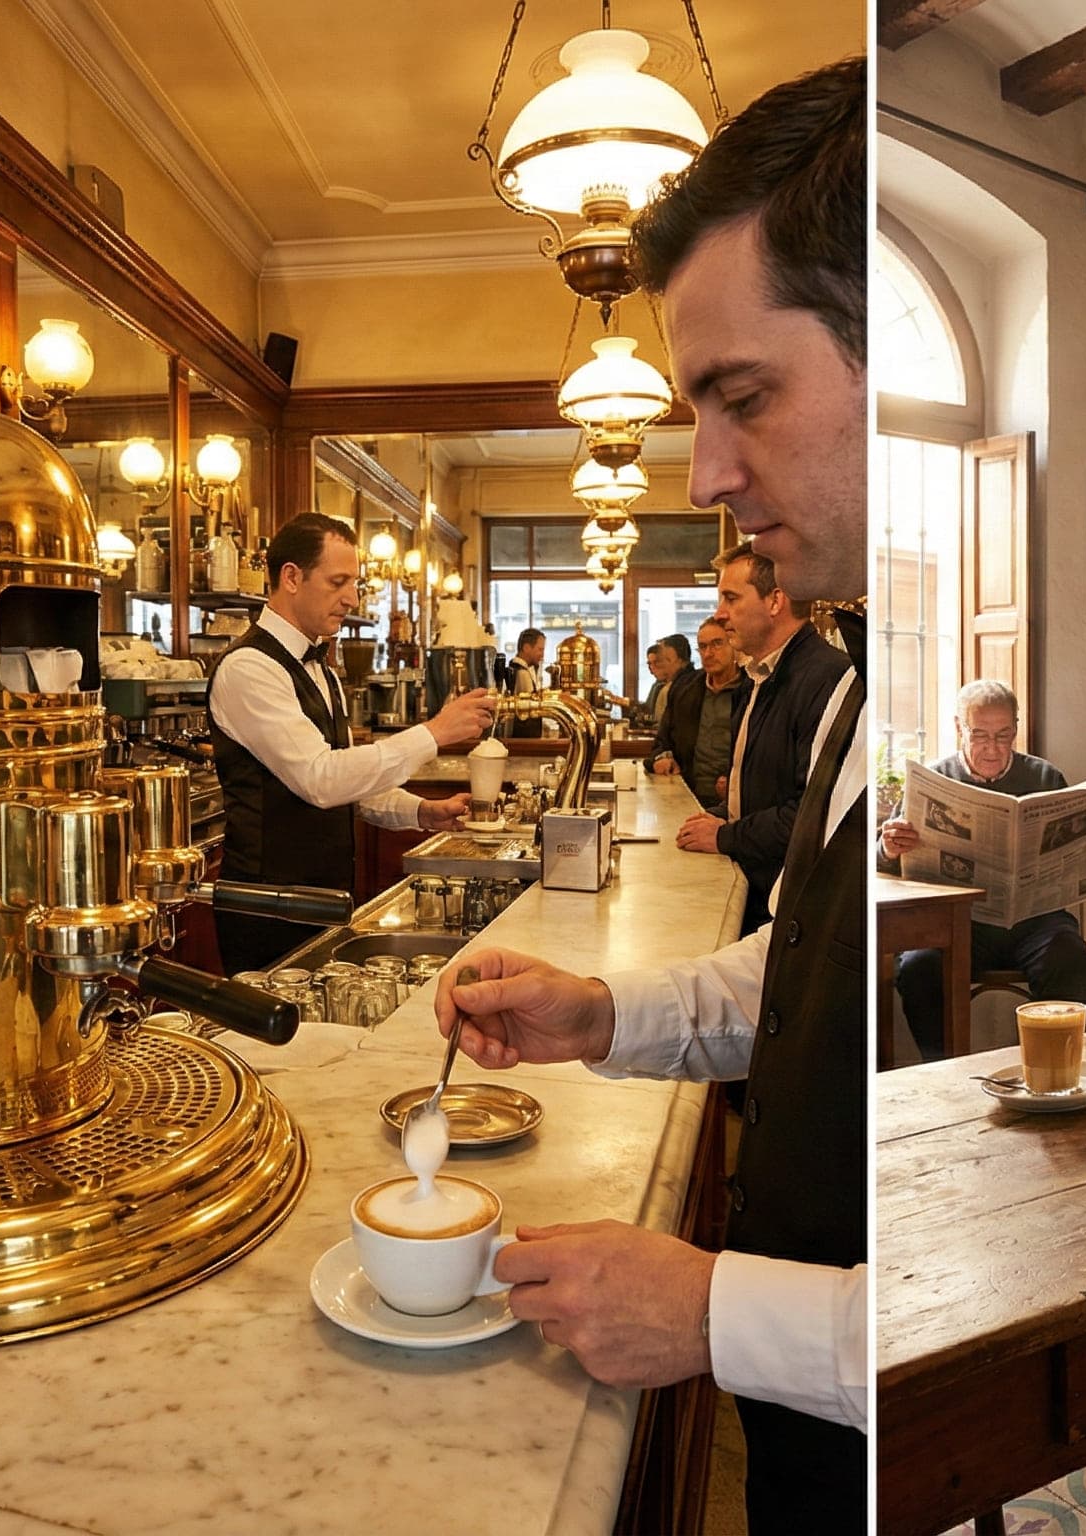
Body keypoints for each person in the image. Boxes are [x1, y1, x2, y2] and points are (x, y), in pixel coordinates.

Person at [432, 56, 869, 1530]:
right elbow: (804, 972)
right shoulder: (862, 682)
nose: (706, 476)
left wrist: (720, 1313)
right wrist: (605, 1016)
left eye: (745, 397)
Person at [208, 513, 493, 971]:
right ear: (291, 577)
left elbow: (346, 782)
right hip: (266, 910)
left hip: (324, 903)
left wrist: (420, 811)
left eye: (355, 583)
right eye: (338, 582)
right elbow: (320, 780)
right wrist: (434, 732)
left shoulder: (321, 668)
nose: (352, 598)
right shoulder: (249, 668)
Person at [878, 679, 1086, 1060]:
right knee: (918, 968)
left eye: (1003, 735)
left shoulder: (1045, 778)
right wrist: (888, 848)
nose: (992, 748)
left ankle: (1051, 1067)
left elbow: (1080, 856)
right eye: (980, 735)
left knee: (1072, 963)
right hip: (960, 922)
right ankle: (944, 1071)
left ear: (1016, 729)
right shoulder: (930, 780)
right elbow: (884, 863)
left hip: (1036, 922)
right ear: (959, 727)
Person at [679, 543, 849, 934]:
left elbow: (811, 813)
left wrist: (725, 835)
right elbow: (763, 786)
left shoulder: (825, 676)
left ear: (775, 600)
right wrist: (722, 813)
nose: (720, 614)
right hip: (755, 885)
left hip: (788, 906)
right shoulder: (757, 676)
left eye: (731, 598)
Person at [650, 617, 746, 810]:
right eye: (702, 647)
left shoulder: (752, 690)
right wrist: (662, 758)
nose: (708, 653)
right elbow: (662, 741)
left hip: (737, 802)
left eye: (717, 644)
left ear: (734, 645)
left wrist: (738, 782)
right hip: (685, 796)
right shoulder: (685, 688)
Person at [600, 635, 690, 729]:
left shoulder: (680, 686)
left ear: (680, 661)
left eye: (663, 660)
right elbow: (648, 710)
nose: (652, 668)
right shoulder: (659, 685)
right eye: (649, 664)